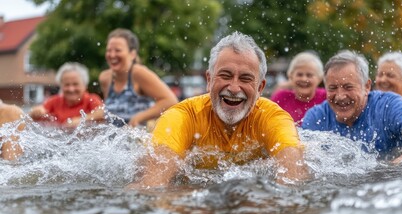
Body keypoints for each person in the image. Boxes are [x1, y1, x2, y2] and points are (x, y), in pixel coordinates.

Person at [128, 31, 308, 189]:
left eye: (245, 78)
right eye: (225, 75)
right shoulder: (182, 116)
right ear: (209, 79)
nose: (234, 88)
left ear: (260, 88)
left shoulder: (273, 118)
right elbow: (151, 188)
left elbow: (294, 183)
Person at [302, 50, 402, 163]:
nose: (340, 96)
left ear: (367, 86)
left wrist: (400, 163)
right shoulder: (315, 117)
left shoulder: (387, 105)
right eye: (333, 88)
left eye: (348, 87)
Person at [98, 28, 178, 127]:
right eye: (109, 50)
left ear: (132, 54)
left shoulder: (139, 73)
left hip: (139, 138)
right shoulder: (105, 78)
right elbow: (107, 112)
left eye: (117, 50)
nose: (112, 55)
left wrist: (139, 117)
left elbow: (171, 101)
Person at [29, 62, 105, 128]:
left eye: (75, 84)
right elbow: (35, 112)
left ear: (85, 85)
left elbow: (103, 113)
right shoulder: (54, 101)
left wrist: (81, 120)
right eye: (67, 85)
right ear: (61, 86)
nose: (71, 89)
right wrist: (35, 112)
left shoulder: (91, 99)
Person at [270, 52, 326, 125]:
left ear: (319, 78)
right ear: (291, 76)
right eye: (299, 74)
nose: (304, 79)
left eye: (309, 75)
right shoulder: (280, 98)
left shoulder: (326, 97)